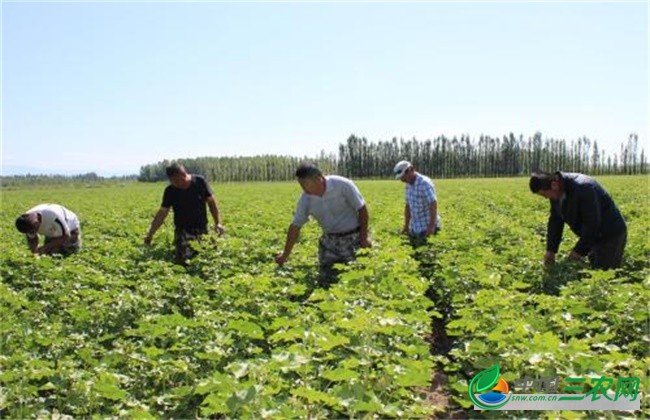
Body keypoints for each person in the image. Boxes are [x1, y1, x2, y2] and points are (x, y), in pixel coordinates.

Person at [274, 162, 371, 285]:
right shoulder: (305, 199)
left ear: (318, 178)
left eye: (306, 184)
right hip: (329, 240)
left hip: (353, 237)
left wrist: (364, 238)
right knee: (326, 281)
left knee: (358, 278)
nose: (303, 189)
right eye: (301, 185)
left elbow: (362, 209)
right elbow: (295, 226)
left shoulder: (342, 185)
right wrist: (285, 255)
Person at [529, 171, 627, 269]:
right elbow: (556, 220)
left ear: (554, 185)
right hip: (595, 236)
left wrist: (578, 251)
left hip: (611, 234)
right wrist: (551, 250)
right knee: (593, 268)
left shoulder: (584, 188)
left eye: (544, 194)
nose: (546, 198)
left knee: (605, 274)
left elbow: (592, 224)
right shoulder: (557, 191)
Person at [144, 163, 224, 265]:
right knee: (182, 262)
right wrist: (150, 234)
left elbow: (212, 202)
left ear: (185, 174)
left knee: (205, 259)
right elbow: (162, 214)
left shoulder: (200, 182)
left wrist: (218, 223)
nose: (178, 184)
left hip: (201, 228)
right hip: (182, 230)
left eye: (180, 180)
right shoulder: (170, 191)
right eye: (174, 182)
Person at [393, 160, 442, 247]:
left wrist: (431, 226)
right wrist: (406, 226)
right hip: (415, 228)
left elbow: (433, 203)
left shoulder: (424, 183)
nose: (403, 181)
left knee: (427, 255)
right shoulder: (408, 184)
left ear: (410, 170)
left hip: (427, 228)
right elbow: (408, 205)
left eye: (403, 178)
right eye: (401, 179)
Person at [15, 204, 81, 256]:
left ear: (36, 223)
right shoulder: (26, 221)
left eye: (32, 231)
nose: (31, 233)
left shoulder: (53, 216)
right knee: (50, 253)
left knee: (67, 252)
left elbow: (66, 236)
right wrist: (34, 251)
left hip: (70, 227)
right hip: (52, 230)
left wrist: (45, 247)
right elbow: (32, 239)